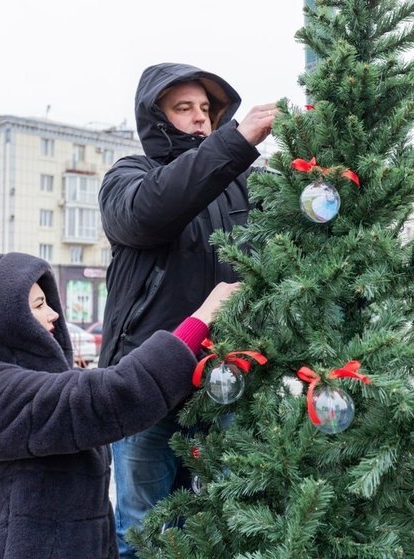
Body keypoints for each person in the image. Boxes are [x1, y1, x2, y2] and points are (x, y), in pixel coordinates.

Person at [0, 251, 238, 559]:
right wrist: (201, 319)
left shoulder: (46, 381)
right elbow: (111, 395)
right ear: (5, 319)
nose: (54, 314)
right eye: (38, 305)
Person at [98, 61, 277, 557]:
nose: (201, 118)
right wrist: (237, 142)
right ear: (156, 117)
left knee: (229, 521)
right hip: (145, 383)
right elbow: (150, 213)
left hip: (228, 381)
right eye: (184, 108)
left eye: (207, 109)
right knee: (143, 527)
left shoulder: (247, 183)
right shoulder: (129, 177)